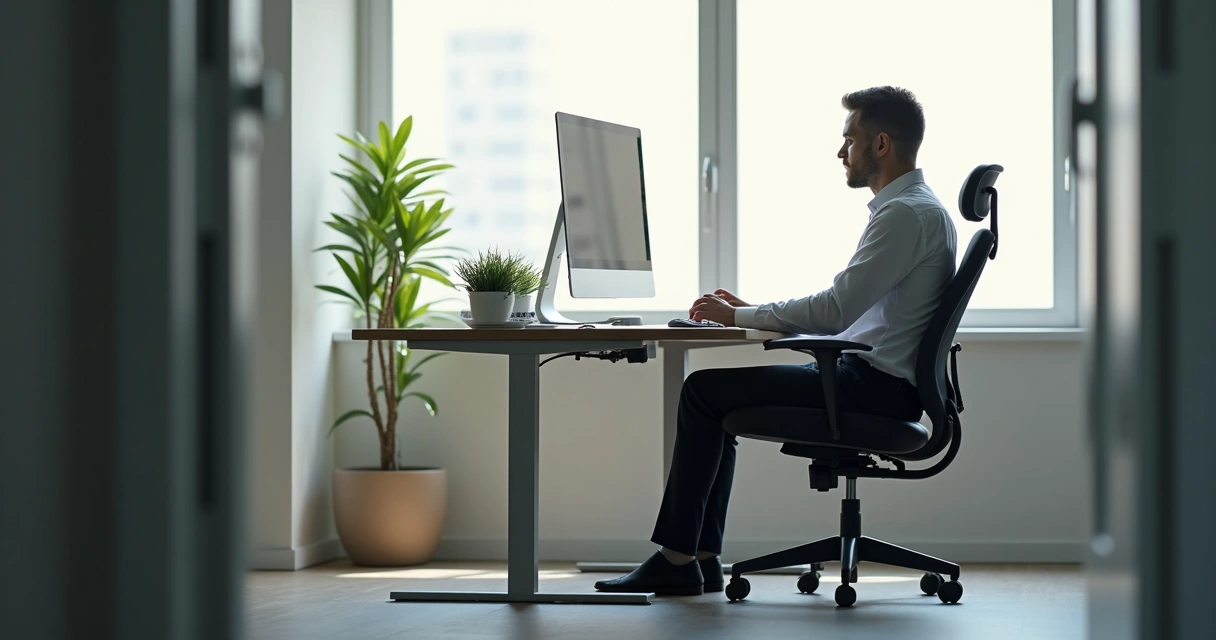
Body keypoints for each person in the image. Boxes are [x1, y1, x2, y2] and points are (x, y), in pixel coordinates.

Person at [594, 86, 958, 596]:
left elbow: (834, 311)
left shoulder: (905, 216)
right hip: (879, 382)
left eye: (848, 139)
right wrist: (753, 313)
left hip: (868, 387)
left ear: (880, 144)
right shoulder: (920, 211)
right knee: (713, 399)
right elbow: (854, 316)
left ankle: (680, 559)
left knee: (702, 393)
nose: (840, 153)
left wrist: (742, 314)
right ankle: (697, 557)